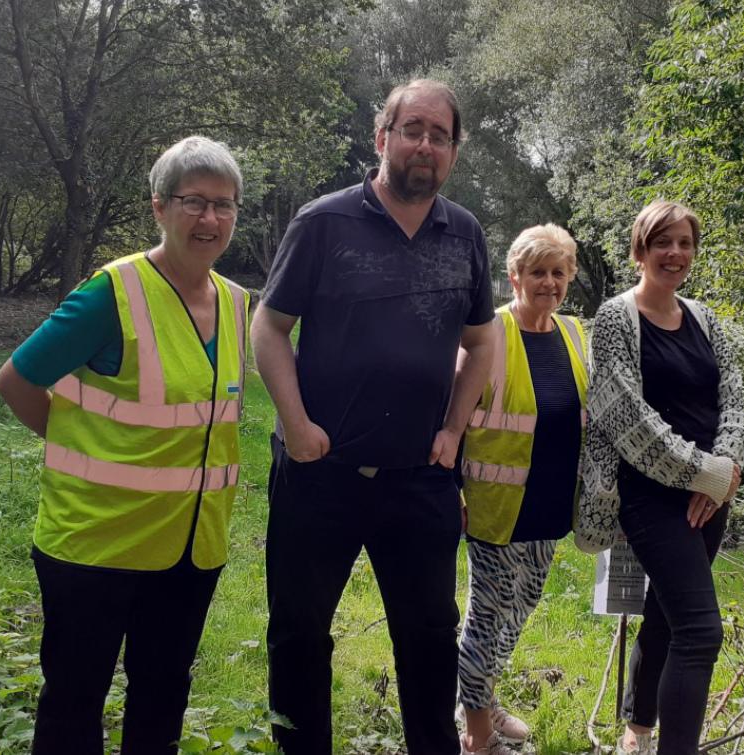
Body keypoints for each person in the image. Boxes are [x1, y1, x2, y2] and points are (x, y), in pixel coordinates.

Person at [252, 79, 498, 755]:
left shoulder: (465, 233)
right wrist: (296, 424)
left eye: (439, 135)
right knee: (299, 634)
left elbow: (482, 341)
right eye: (411, 128)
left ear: (453, 149)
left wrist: (453, 429)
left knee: (427, 637)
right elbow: (269, 328)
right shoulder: (323, 222)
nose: (425, 144)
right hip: (318, 473)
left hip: (420, 478)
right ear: (381, 136)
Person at [0, 135, 252, 755]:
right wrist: (81, 447)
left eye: (225, 204)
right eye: (194, 202)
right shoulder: (112, 294)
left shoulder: (238, 303)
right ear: (159, 207)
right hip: (95, 544)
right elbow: (15, 380)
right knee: (73, 706)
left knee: (162, 699)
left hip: (191, 550)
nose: (210, 219)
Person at [579, 200, 744, 754]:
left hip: (709, 496)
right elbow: (626, 417)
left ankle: (639, 729)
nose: (675, 253)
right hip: (649, 496)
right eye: (662, 243)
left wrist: (723, 469)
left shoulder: (704, 317)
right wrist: (707, 473)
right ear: (640, 251)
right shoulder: (614, 319)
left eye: (685, 243)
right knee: (701, 631)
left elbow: (735, 397)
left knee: (669, 616)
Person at [456, 224, 589, 755]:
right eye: (537, 272)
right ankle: (477, 735)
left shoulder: (576, 333)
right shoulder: (488, 332)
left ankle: (478, 697)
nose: (549, 283)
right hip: (493, 507)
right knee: (487, 617)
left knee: (523, 604)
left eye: (559, 272)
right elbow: (452, 417)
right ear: (514, 277)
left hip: (552, 503)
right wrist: (453, 492)